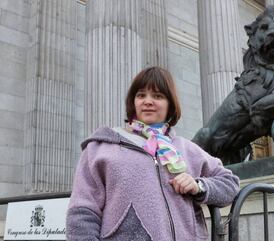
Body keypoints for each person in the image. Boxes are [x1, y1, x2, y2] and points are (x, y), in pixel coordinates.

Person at [66, 66, 240, 241]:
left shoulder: (187, 149)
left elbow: (230, 184)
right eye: (141, 95)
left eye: (157, 96)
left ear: (170, 104)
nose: (147, 101)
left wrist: (198, 186)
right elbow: (82, 213)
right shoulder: (101, 148)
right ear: (133, 102)